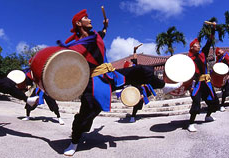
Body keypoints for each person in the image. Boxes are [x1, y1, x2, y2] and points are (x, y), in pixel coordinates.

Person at [59, 9, 182, 156]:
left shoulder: (96, 36)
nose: (90, 19)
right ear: (79, 23)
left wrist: (106, 26)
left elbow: (103, 32)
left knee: (141, 71)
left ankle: (164, 87)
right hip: (93, 82)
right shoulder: (76, 46)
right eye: (86, 18)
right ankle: (74, 141)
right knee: (88, 114)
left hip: (111, 75)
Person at [187, 25, 220, 132]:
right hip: (197, 84)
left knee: (214, 101)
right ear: (192, 47)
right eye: (197, 45)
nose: (199, 46)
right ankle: (191, 123)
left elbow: (209, 42)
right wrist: (190, 87)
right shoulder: (188, 60)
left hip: (206, 82)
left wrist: (213, 30)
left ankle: (208, 116)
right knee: (196, 102)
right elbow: (187, 75)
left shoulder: (202, 54)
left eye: (199, 45)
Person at [215, 47, 229, 112]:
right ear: (218, 54)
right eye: (219, 51)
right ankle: (222, 105)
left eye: (221, 49)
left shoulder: (227, 56)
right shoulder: (218, 61)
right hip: (225, 77)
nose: (221, 50)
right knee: (225, 91)